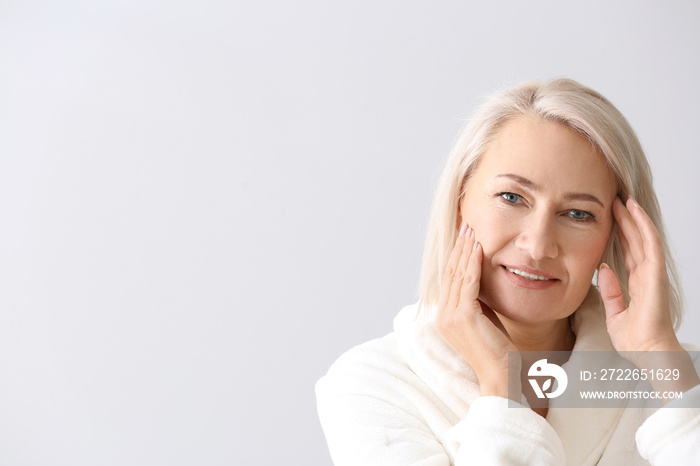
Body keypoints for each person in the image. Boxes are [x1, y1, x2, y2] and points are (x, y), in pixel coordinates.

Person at [315, 78, 700, 465]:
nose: (537, 245)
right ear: (461, 199)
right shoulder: (373, 385)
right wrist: (501, 386)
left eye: (578, 214)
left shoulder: (679, 378)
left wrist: (661, 361)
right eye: (512, 197)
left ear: (618, 234)